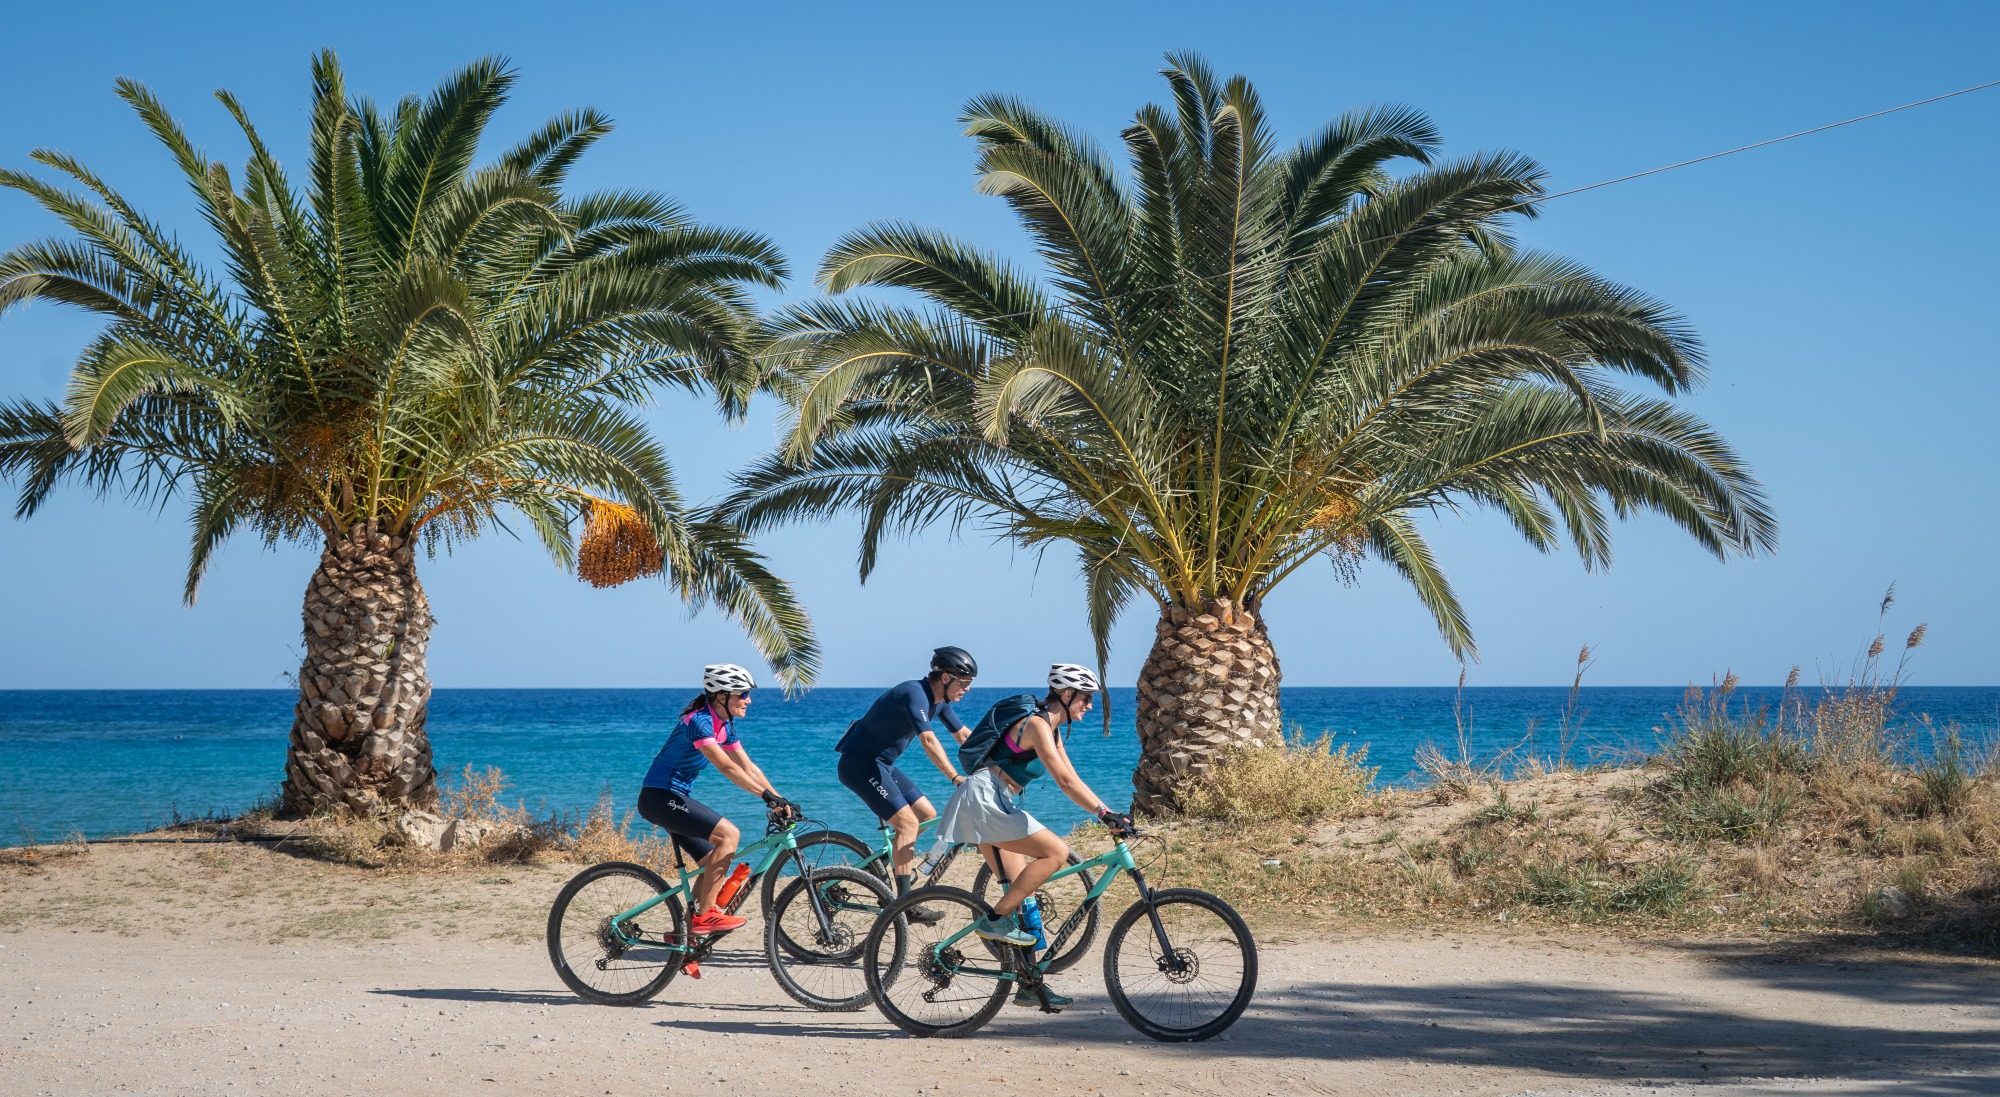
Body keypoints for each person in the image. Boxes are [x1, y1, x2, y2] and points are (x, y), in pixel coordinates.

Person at [933, 662, 1134, 1009]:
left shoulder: (1053, 731)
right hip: (984, 799)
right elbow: (1064, 782)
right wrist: (1103, 815)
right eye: (1085, 699)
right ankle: (993, 922)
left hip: (998, 800)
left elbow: (1073, 777)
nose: (1089, 706)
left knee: (1024, 899)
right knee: (1055, 852)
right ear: (1066, 695)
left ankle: (1029, 985)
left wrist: (1109, 811)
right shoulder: (1038, 725)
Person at [637, 663, 798, 936]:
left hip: (674, 797)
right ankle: (705, 916)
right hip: (659, 797)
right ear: (721, 695)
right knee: (729, 835)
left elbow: (749, 767)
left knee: (712, 861)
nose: (748, 700)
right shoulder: (698, 721)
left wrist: (780, 798)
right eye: (743, 693)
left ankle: (685, 936)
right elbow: (726, 767)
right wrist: (764, 796)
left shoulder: (724, 725)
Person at [833, 646, 978, 919]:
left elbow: (963, 736)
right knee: (908, 824)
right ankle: (904, 904)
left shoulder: (940, 702)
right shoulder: (914, 693)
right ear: (945, 678)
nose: (967, 689)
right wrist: (955, 777)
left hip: (882, 765)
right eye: (964, 683)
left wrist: (995, 763)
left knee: (925, 814)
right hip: (859, 763)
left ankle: (877, 870)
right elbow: (929, 740)